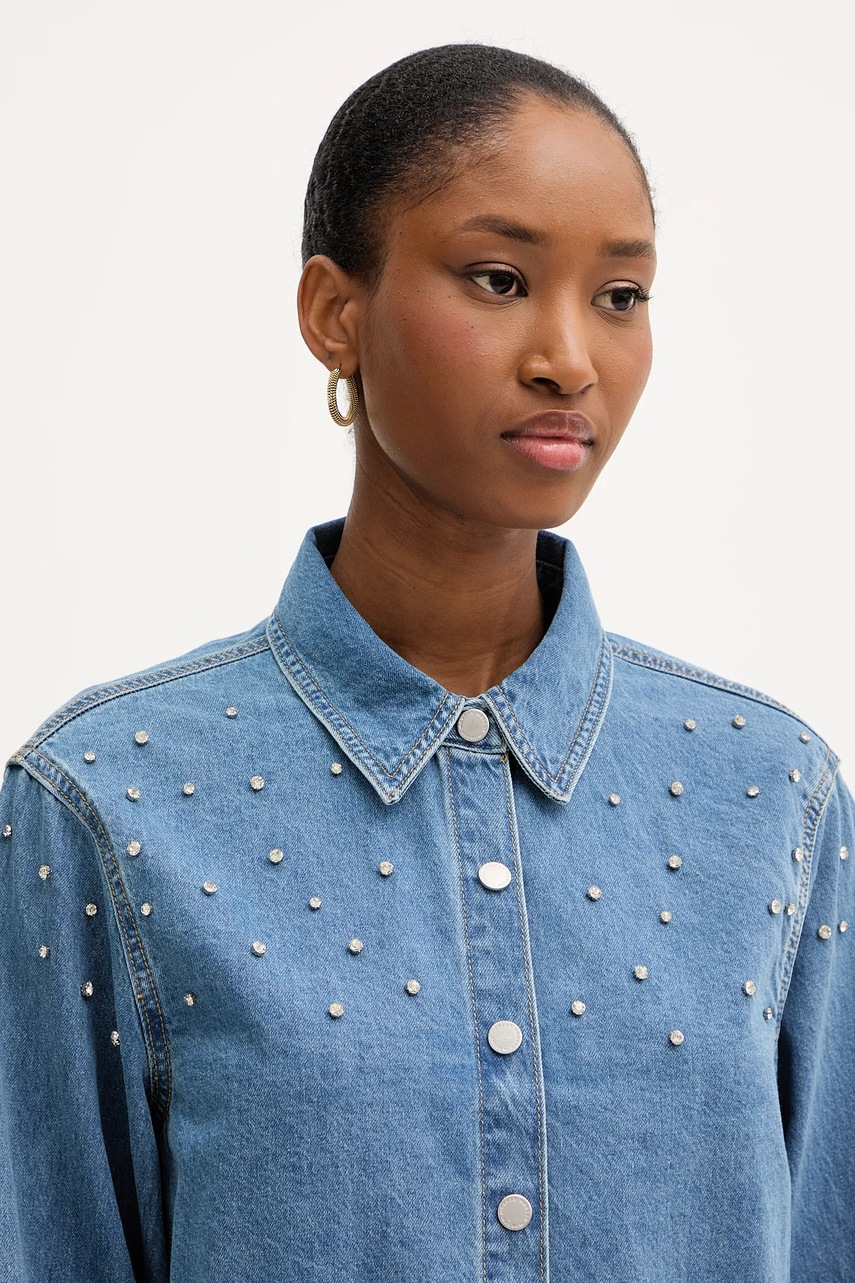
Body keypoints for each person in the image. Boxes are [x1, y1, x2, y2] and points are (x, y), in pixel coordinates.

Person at [0, 42, 852, 1283]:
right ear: (333, 313)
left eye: (621, 294)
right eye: (499, 279)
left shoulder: (774, 794)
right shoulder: (106, 801)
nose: (570, 357)